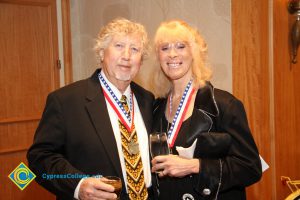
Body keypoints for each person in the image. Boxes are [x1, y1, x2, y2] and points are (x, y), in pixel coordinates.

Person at [27, 18, 155, 200]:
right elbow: (39, 159)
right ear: (102, 53)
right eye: (118, 45)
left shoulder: (147, 100)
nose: (126, 55)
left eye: (135, 49)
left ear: (141, 60)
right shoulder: (66, 101)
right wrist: (78, 184)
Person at [151, 20, 262, 200]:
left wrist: (195, 166)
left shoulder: (223, 105)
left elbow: (250, 168)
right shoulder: (155, 108)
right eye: (164, 48)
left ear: (194, 53)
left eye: (181, 46)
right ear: (159, 58)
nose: (172, 54)